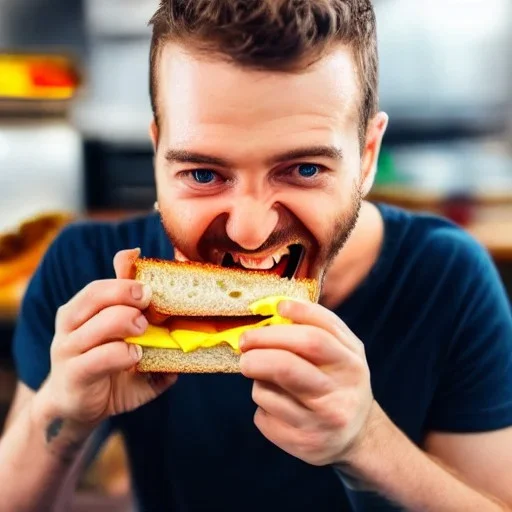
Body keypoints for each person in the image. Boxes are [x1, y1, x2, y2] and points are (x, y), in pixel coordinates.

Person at [1, 1, 511, 510]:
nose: (249, 232)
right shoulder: (85, 272)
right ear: (158, 154)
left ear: (367, 158)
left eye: (305, 170)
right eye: (203, 174)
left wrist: (368, 442)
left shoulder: (447, 277)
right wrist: (64, 415)